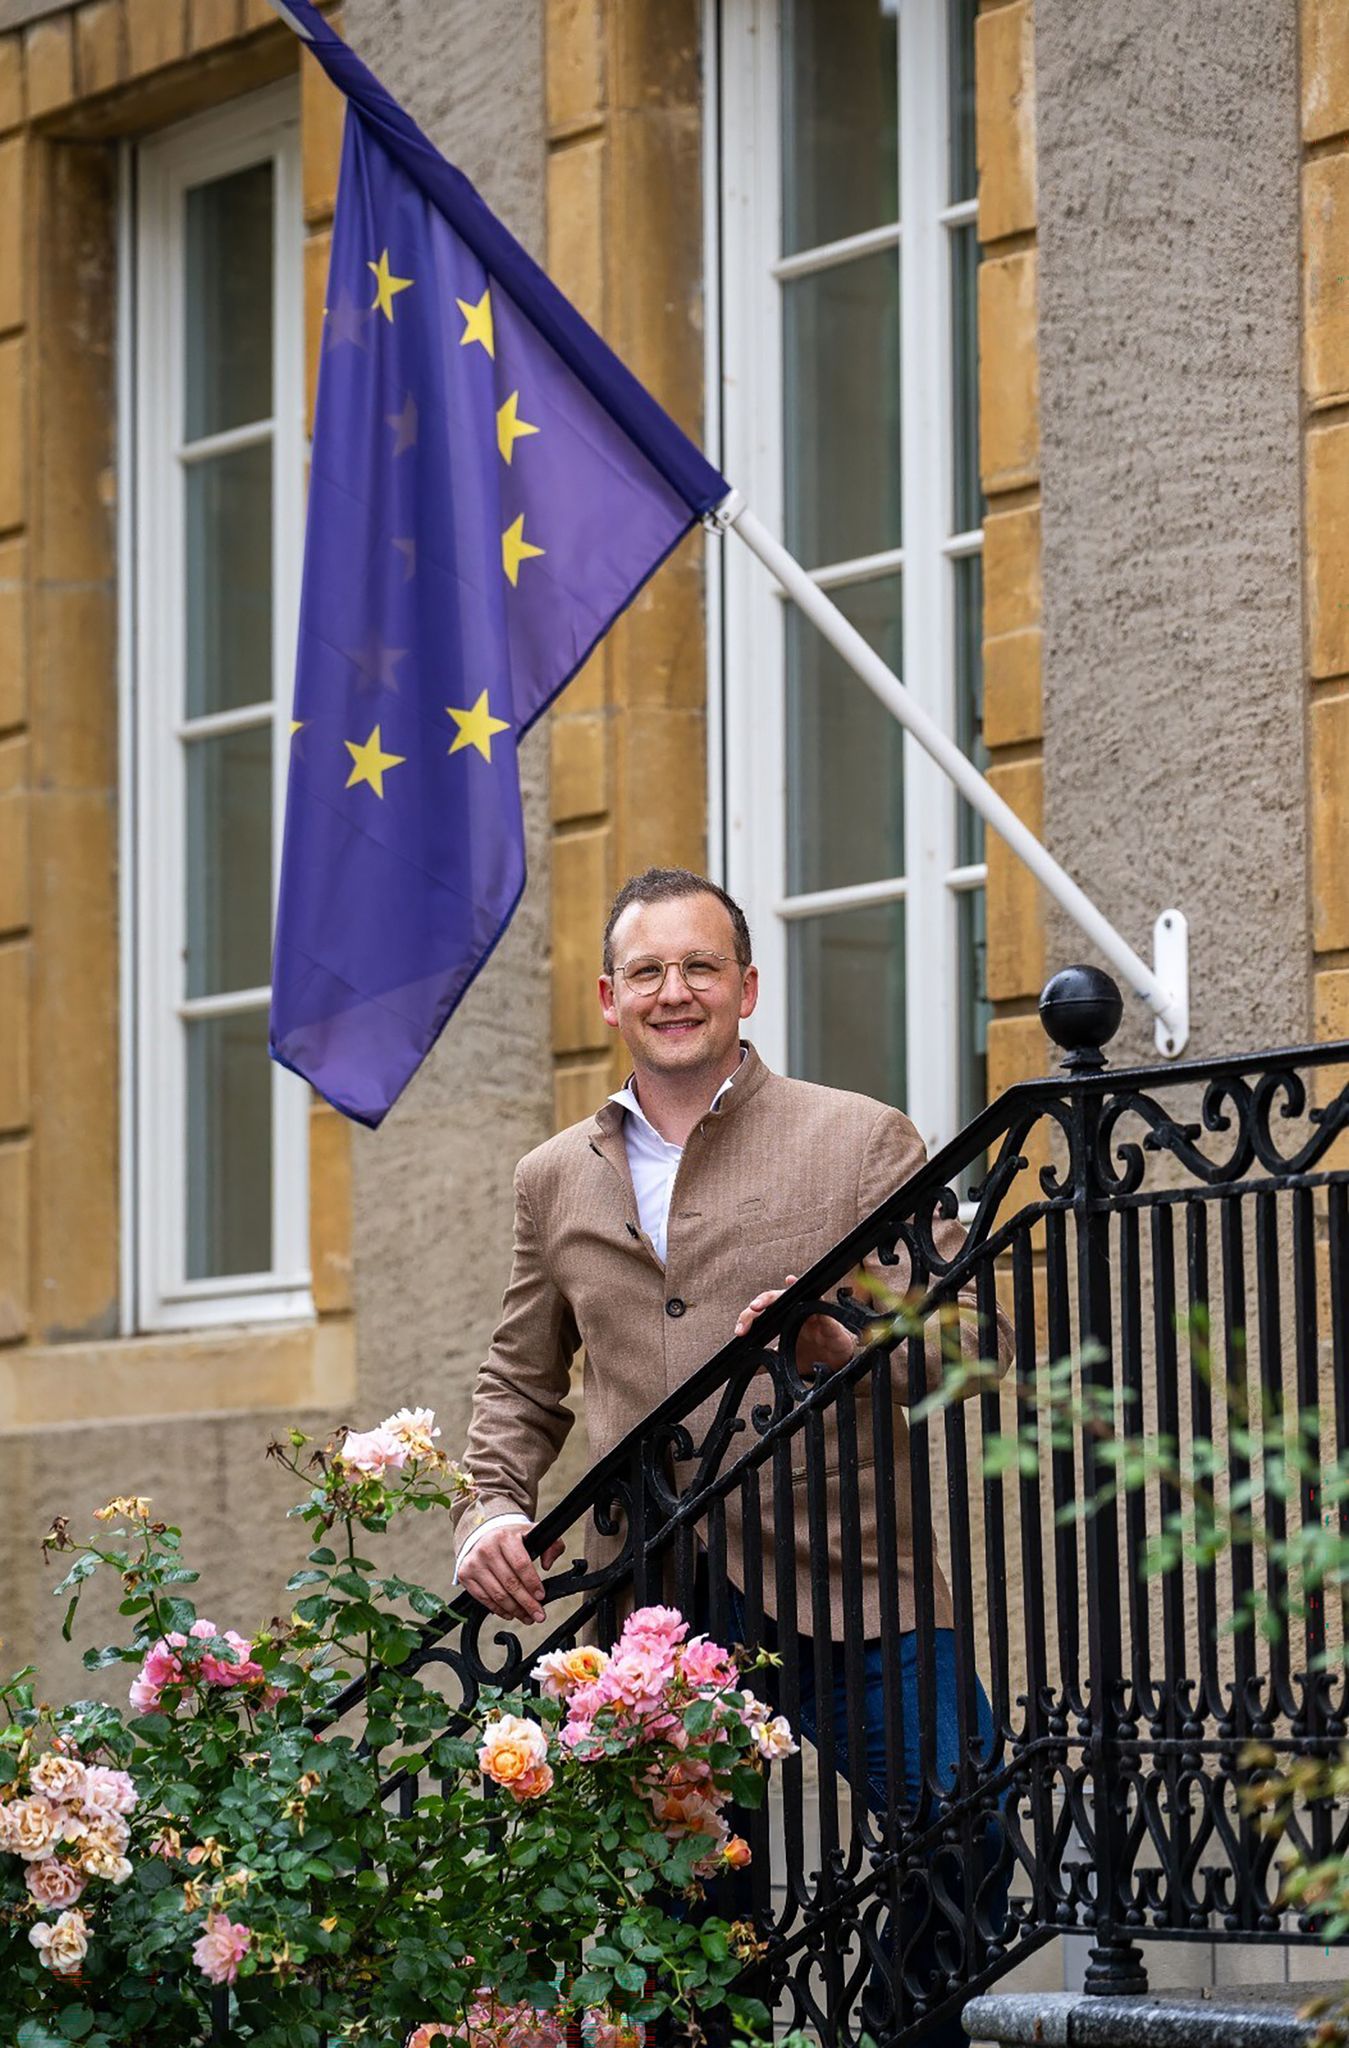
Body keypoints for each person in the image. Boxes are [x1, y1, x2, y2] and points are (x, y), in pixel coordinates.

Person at [454, 867, 1010, 2046]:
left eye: (699, 966)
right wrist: (489, 1509)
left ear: (745, 986)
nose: (674, 991)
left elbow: (975, 1340)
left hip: (848, 1574)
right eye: (647, 971)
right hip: (652, 1600)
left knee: (968, 1815)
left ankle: (901, 2025)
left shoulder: (858, 1137)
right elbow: (518, 1377)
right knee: (694, 1920)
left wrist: (837, 1342)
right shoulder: (553, 1176)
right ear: (608, 997)